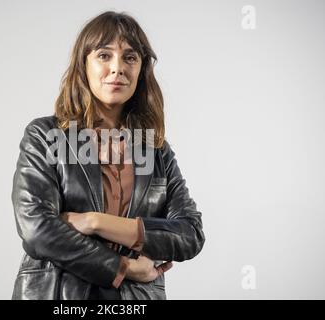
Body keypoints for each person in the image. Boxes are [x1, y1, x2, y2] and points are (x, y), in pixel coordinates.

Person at [11, 10, 205, 300]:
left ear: (141, 70)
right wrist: (123, 266)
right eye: (104, 55)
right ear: (83, 64)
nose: (117, 68)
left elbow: (189, 234)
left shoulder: (156, 150)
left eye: (130, 57)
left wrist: (93, 221)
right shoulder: (45, 135)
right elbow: (37, 228)